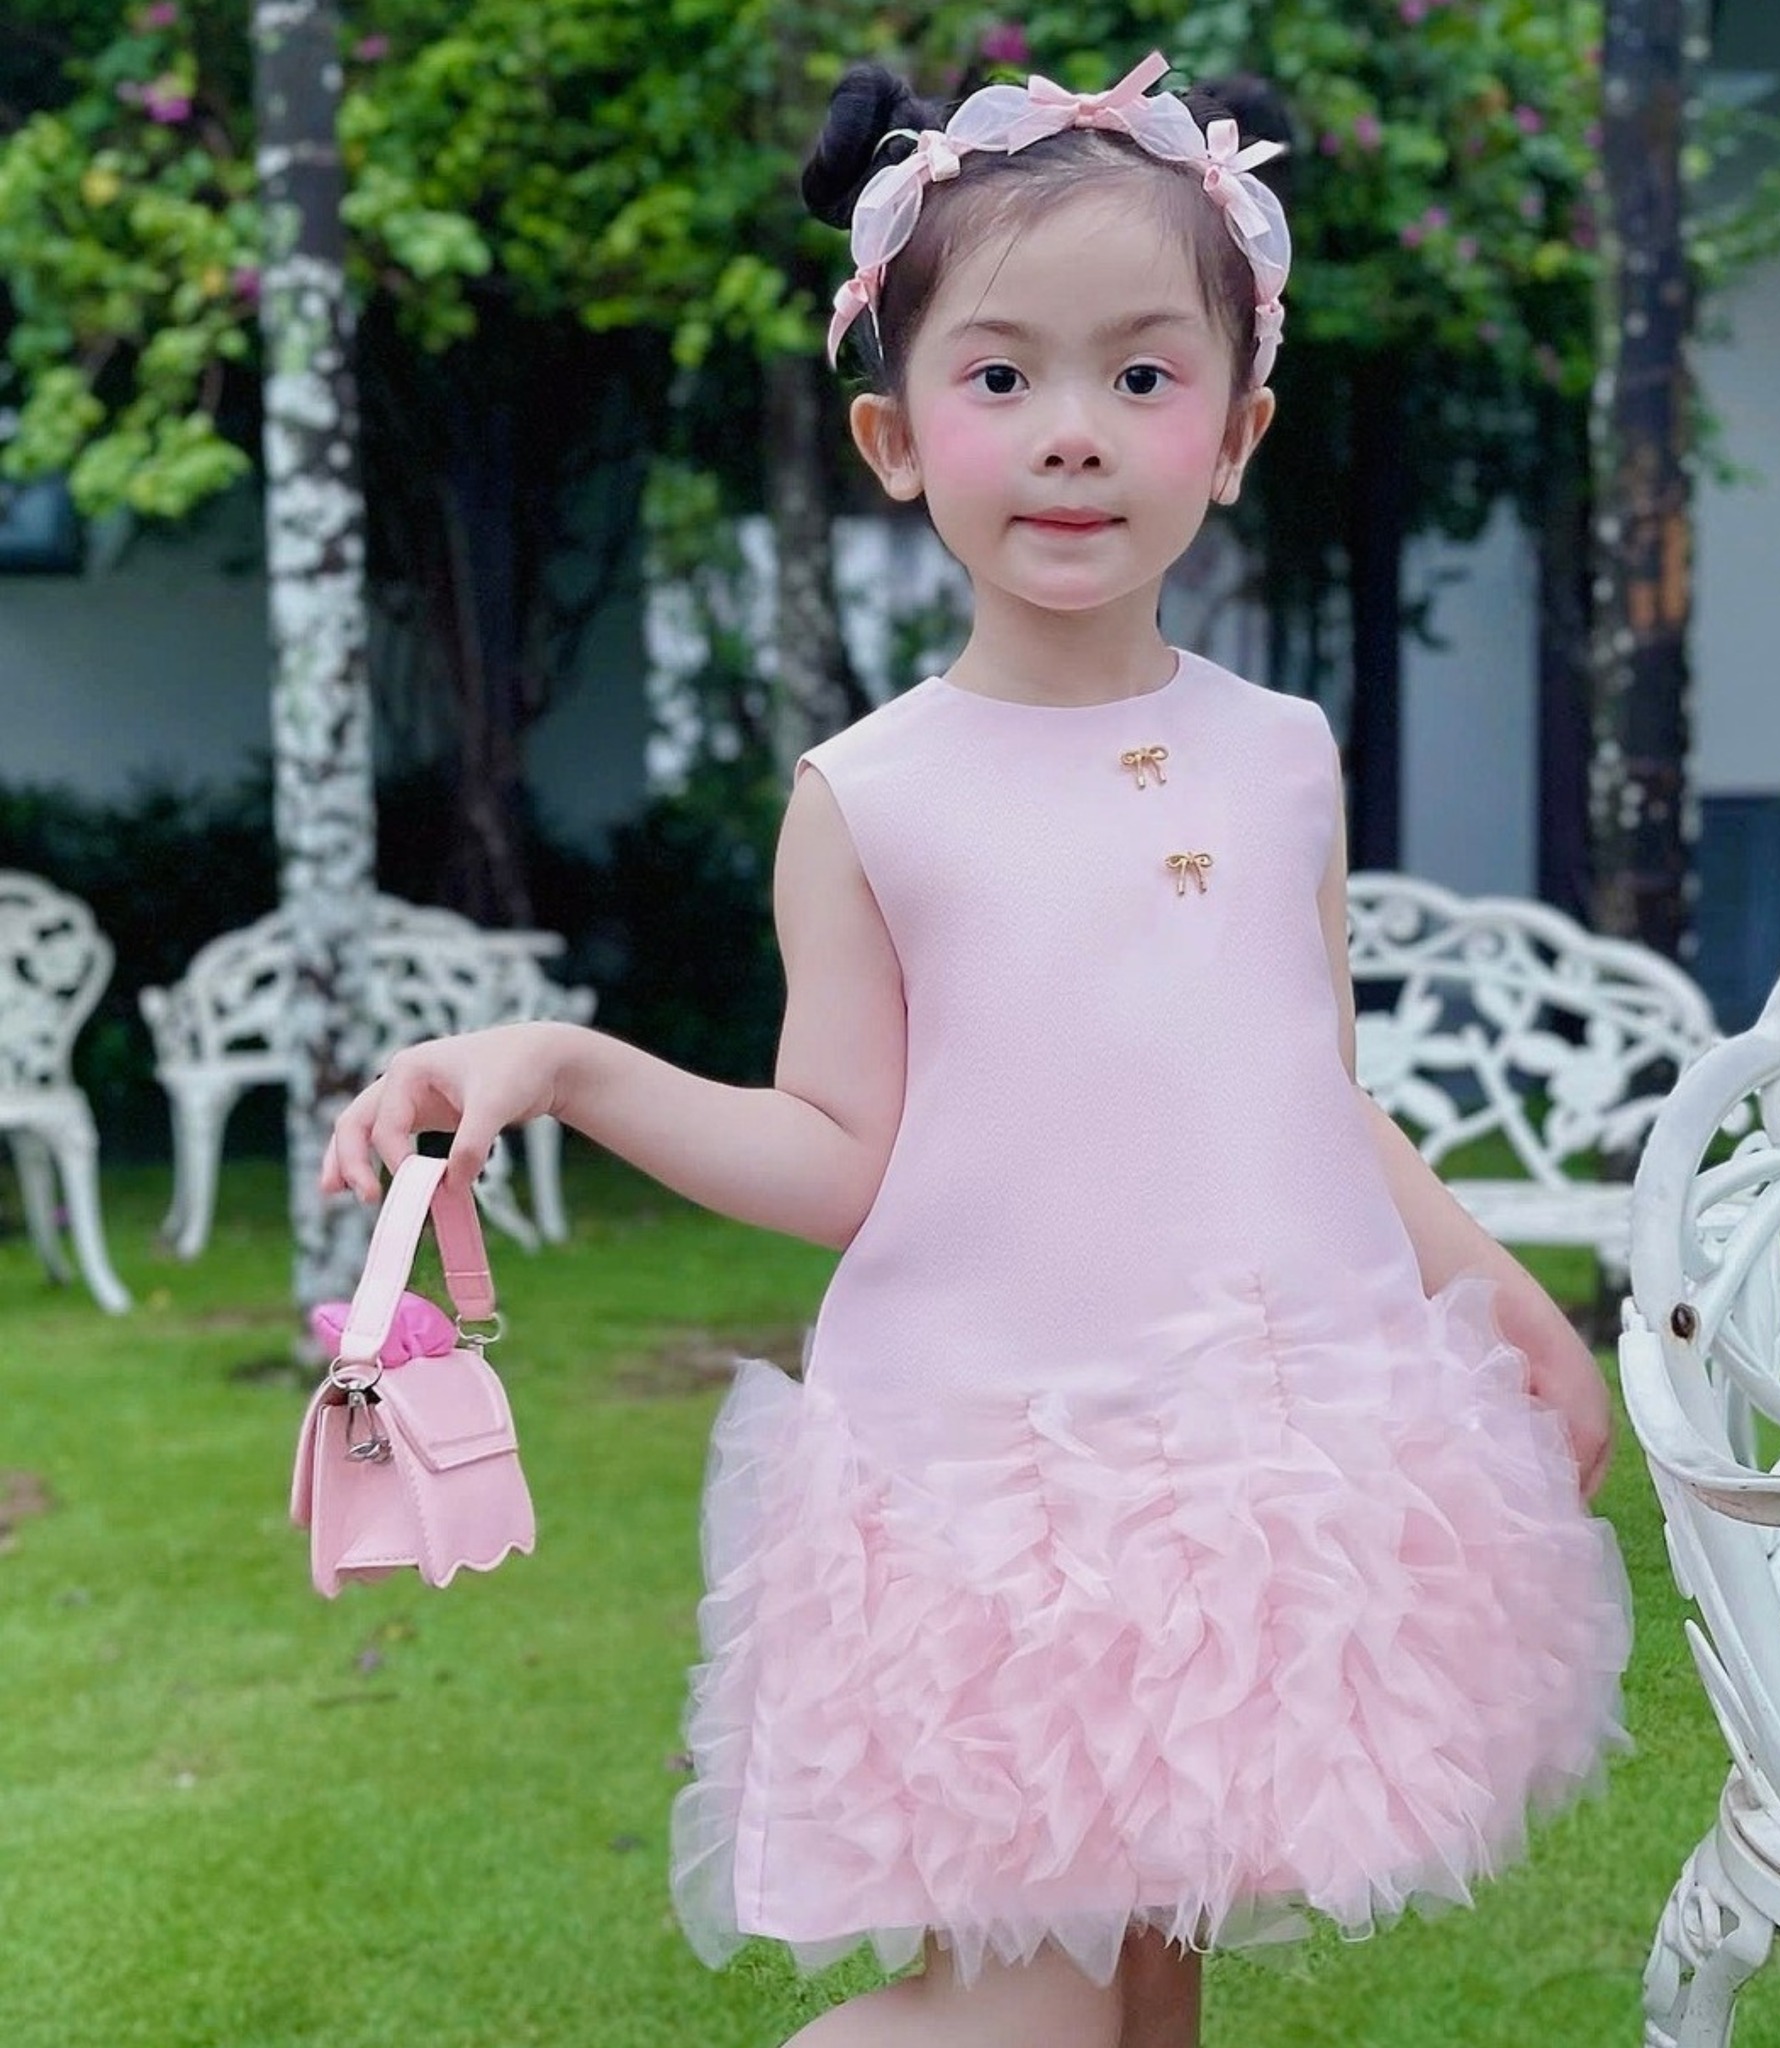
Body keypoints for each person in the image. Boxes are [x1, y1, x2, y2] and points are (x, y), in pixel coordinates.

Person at [322, 48, 1630, 2048]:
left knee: (1150, 1995)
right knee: (1009, 2015)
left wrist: (1501, 1295)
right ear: (894, 435)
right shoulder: (876, 795)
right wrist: (568, 1063)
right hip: (1000, 1500)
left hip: (1257, 1479)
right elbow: (837, 1151)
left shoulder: (1281, 757)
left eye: (1142, 374)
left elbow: (1304, 1085)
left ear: (1237, 431)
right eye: (1001, 377)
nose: (1073, 433)